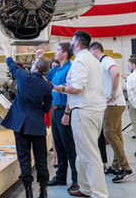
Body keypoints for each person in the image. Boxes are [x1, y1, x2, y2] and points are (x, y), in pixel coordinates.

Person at [54, 30, 108, 198]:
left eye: (72, 40)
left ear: (76, 43)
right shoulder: (92, 60)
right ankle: (85, 188)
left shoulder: (80, 61)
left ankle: (99, 193)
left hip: (84, 111)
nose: (71, 43)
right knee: (83, 153)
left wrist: (60, 89)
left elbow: (77, 88)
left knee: (90, 154)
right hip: (93, 110)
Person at [0, 42, 53, 198]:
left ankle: (28, 190)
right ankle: (43, 190)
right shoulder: (46, 87)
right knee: (41, 158)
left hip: (21, 125)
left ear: (35, 68)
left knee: (24, 157)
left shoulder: (23, 76)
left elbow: (10, 63)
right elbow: (46, 108)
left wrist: (6, 50)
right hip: (37, 126)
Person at [89, 42, 132, 183]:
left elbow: (116, 73)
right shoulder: (103, 62)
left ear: (95, 51)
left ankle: (126, 168)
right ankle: (115, 166)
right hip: (116, 104)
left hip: (113, 104)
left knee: (109, 133)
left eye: (90, 53)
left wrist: (113, 93)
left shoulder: (106, 60)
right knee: (117, 135)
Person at [46, 43, 78, 192]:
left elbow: (70, 93)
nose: (55, 52)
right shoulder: (57, 69)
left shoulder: (69, 69)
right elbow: (45, 75)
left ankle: (76, 179)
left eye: (58, 50)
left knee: (69, 147)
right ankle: (60, 177)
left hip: (63, 111)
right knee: (58, 145)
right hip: (55, 109)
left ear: (65, 53)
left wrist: (67, 113)